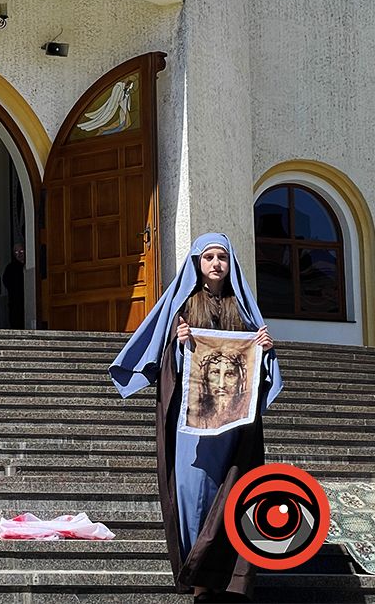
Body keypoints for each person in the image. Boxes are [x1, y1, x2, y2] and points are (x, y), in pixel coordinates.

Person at [110, 233, 281, 602]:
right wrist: (178, 341)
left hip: (233, 428)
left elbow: (255, 370)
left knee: (232, 491)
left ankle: (227, 578)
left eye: (222, 256)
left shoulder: (243, 309)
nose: (216, 263)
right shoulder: (184, 305)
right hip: (193, 424)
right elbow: (167, 364)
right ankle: (199, 577)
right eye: (209, 257)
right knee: (192, 494)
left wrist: (264, 350)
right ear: (197, 264)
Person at [3, 243, 26, 329]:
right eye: (16, 252)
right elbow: (6, 282)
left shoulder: (32, 263)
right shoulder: (10, 268)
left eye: (21, 251)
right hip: (15, 302)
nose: (19, 254)